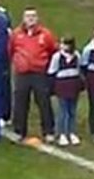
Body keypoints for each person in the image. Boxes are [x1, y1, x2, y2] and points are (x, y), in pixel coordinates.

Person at [9, 8, 58, 143]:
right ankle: (19, 131)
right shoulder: (16, 34)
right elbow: (11, 50)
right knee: (20, 102)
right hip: (22, 73)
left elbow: (53, 50)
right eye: (28, 16)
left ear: (37, 18)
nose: (30, 19)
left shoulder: (45, 34)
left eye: (33, 16)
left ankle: (48, 131)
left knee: (44, 102)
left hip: (39, 73)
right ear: (23, 18)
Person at [48, 36, 83, 146]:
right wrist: (52, 88)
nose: (62, 46)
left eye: (65, 44)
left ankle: (71, 132)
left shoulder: (77, 55)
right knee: (63, 110)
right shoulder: (57, 57)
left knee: (72, 110)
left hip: (73, 84)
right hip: (62, 85)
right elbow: (52, 72)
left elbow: (79, 70)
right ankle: (61, 133)